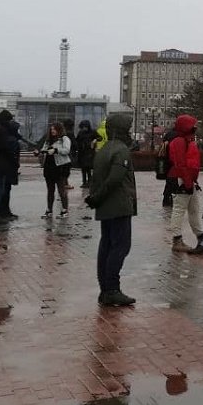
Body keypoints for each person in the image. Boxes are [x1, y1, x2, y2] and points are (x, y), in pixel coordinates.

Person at [86, 113, 138, 307]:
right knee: (121, 246)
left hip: (106, 206)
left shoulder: (104, 149)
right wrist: (97, 198)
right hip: (118, 205)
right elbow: (115, 179)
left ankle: (105, 289)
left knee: (106, 245)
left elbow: (98, 178)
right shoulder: (121, 150)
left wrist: (96, 198)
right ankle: (111, 289)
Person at [169, 115, 203, 253]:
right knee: (179, 209)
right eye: (193, 125)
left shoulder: (187, 140)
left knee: (193, 209)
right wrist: (187, 181)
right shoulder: (180, 141)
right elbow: (180, 164)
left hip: (189, 181)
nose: (195, 127)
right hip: (183, 180)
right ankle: (177, 239)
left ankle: (201, 237)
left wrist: (191, 181)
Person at [40, 122, 72, 218]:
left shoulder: (64, 139)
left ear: (59, 130)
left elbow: (67, 150)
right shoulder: (48, 140)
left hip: (60, 167)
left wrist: (56, 150)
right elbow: (44, 149)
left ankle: (64, 210)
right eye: (51, 129)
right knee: (50, 190)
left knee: (61, 189)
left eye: (54, 129)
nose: (52, 131)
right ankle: (49, 210)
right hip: (49, 166)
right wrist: (40, 152)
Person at [73, 120, 99, 188]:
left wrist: (94, 141)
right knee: (83, 168)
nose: (84, 128)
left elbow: (99, 138)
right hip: (82, 152)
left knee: (88, 167)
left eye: (85, 127)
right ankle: (84, 182)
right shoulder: (80, 133)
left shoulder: (93, 131)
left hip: (90, 152)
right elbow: (77, 141)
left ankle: (89, 182)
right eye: (83, 127)